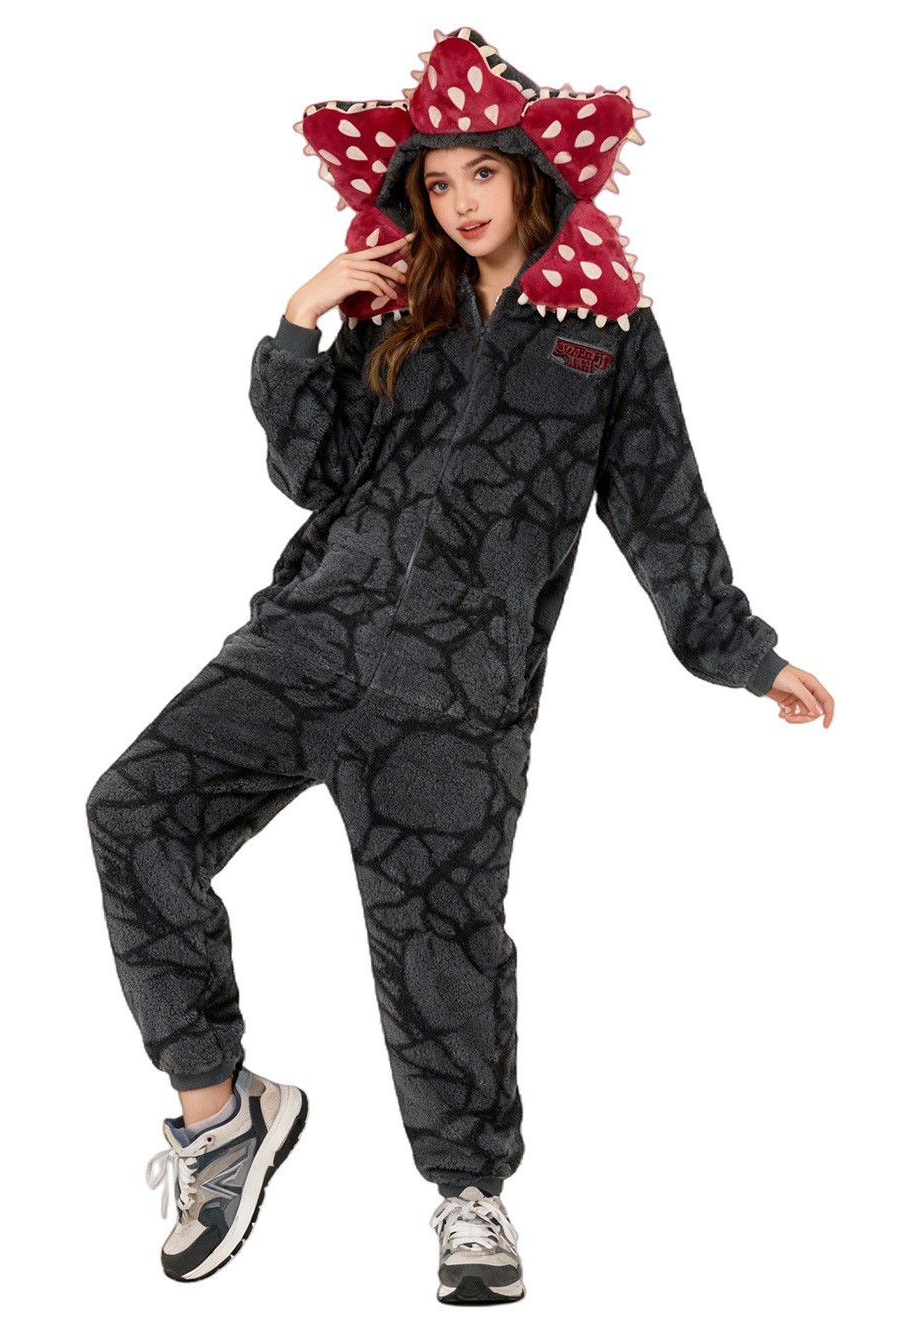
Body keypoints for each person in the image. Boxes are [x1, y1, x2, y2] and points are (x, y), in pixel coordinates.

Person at [85, 24, 834, 1306]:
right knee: (132, 811)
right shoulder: (403, 311)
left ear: (529, 175)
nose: (460, 201)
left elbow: (662, 505)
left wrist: (742, 653)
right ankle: (221, 1112)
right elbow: (312, 472)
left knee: (440, 944)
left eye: (481, 173)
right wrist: (299, 321)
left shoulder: (604, 333)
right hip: (306, 640)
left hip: (457, 694)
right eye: (437, 182)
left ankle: (469, 1196)